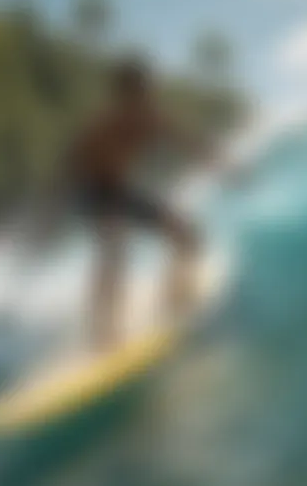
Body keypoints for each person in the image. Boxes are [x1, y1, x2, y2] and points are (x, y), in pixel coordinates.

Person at [41, 58, 214, 352]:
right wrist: (54, 208)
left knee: (186, 234)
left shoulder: (152, 118)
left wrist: (225, 164)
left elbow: (189, 142)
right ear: (121, 95)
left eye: (144, 92)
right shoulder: (101, 126)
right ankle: (101, 330)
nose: (140, 99)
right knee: (115, 248)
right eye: (132, 93)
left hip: (120, 189)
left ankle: (176, 293)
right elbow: (69, 164)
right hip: (92, 191)